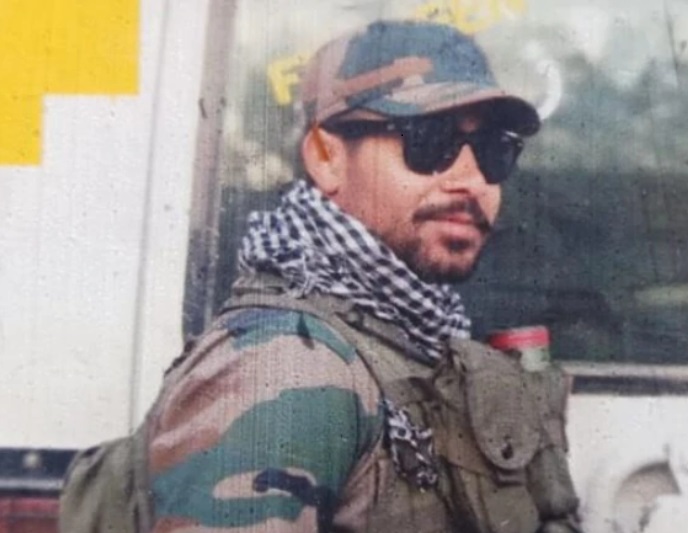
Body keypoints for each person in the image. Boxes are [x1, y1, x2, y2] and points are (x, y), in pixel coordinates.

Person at [60, 19, 581, 533]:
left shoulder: (417, 336)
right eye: (429, 140)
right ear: (327, 157)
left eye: (493, 151)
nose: (470, 179)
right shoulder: (284, 365)